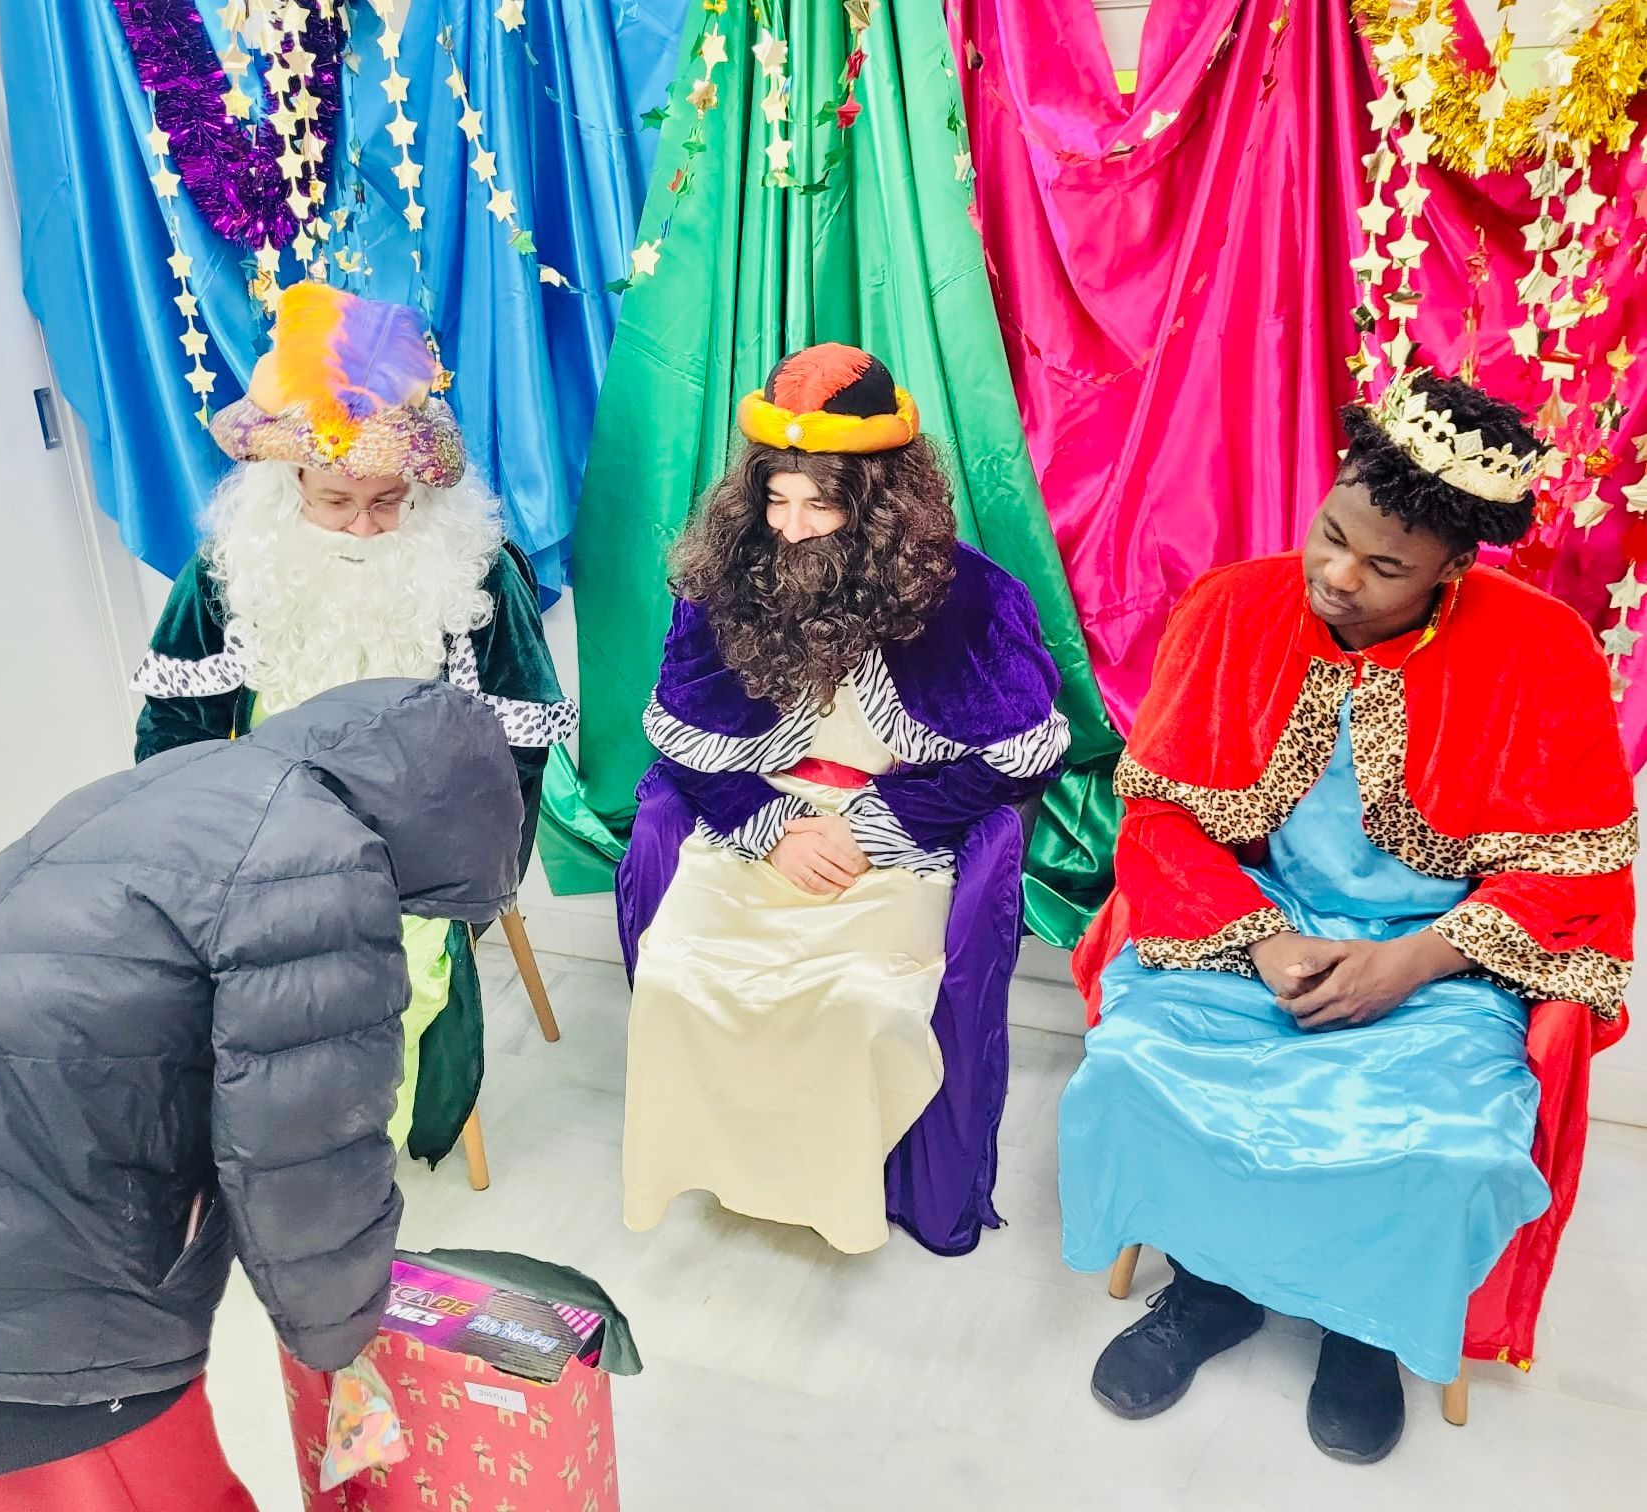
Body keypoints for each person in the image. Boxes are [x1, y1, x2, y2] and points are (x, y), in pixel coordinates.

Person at [1058, 370, 1636, 1462]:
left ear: (1454, 568)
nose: (1336, 575)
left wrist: (1412, 963)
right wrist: (1261, 939)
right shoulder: (1232, 606)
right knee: (1137, 1069)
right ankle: (1209, 1288)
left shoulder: (1540, 647)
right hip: (1251, 923)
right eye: (1330, 535)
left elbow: (1582, 871)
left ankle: (1365, 1330)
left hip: (1447, 959)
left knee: (1448, 1146)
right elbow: (1161, 818)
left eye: (1385, 567)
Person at [0, 680, 523, 1509]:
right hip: (33, 1305)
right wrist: (343, 1342)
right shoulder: (317, 856)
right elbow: (306, 1153)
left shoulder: (176, 783)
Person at [616, 343, 1071, 1256]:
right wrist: (765, 825)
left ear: (878, 505)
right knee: (678, 978)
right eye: (776, 500)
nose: (790, 528)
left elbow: (1019, 756)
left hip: (899, 840)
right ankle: (733, 1169)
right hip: (755, 831)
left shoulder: (972, 598)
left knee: (860, 1003)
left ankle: (844, 1190)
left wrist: (883, 826)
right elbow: (683, 739)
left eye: (819, 504)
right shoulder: (723, 581)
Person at [132, 280, 574, 1162]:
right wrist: (198, 850)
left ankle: (347, 1148)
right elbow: (174, 730)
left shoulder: (473, 569)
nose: (365, 527)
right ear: (285, 484)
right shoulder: (231, 568)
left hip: (422, 831)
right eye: (335, 502)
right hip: (265, 818)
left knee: (370, 965)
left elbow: (517, 748)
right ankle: (261, 1149)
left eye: (386, 501)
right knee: (233, 961)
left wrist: (473, 873)